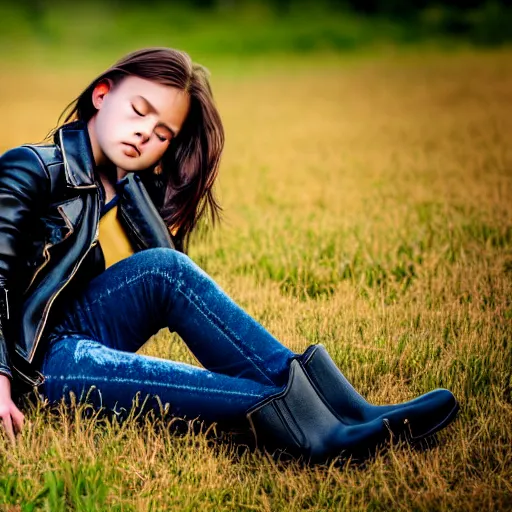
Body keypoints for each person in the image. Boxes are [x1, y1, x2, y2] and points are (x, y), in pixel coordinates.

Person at [0, 47, 459, 464]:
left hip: (78, 327)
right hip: (35, 363)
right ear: (102, 95)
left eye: (163, 133)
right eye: (139, 110)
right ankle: (315, 434)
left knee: (169, 269)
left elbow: (156, 280)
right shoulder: (33, 167)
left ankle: (344, 408)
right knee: (210, 389)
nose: (144, 134)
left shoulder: (130, 192)